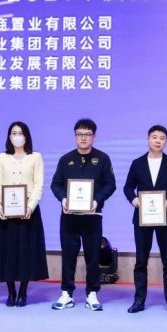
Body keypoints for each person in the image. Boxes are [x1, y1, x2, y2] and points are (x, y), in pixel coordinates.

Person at [50, 118, 116, 311]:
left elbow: (110, 184)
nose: (83, 138)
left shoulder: (102, 159)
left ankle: (92, 294)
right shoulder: (65, 159)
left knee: (93, 256)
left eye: (87, 134)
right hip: (69, 217)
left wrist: (97, 200)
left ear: (94, 137)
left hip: (93, 217)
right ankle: (67, 293)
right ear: (74, 137)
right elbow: (55, 184)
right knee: (68, 256)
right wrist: (63, 199)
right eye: (80, 134)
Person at [123, 125, 167, 315]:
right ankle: (139, 301)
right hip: (142, 219)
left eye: (162, 138)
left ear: (166, 142)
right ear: (148, 139)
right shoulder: (137, 163)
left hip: (166, 218)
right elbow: (128, 187)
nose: (158, 141)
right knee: (140, 262)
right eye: (154, 137)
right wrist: (134, 200)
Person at [0, 121, 49, 307]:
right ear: (9, 136)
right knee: (7, 251)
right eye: (14, 133)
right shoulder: (2, 157)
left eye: (20, 133)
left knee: (26, 251)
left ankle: (23, 291)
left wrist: (30, 207)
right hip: (6, 212)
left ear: (26, 136)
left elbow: (39, 184)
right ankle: (11, 292)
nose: (17, 136)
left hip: (29, 212)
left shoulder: (35, 157)